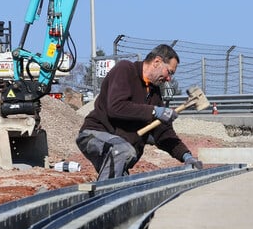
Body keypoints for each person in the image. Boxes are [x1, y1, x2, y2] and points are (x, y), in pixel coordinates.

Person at [76, 44, 203, 180]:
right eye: (169, 72)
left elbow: (163, 133)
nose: (168, 79)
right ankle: (103, 197)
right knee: (122, 151)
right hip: (95, 135)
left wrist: (186, 156)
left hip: (120, 148)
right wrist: (154, 111)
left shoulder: (154, 94)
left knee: (121, 183)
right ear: (157, 62)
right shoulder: (125, 70)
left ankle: (106, 195)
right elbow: (116, 107)